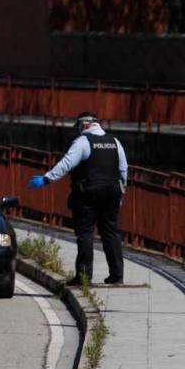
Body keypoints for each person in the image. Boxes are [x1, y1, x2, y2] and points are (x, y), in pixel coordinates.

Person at [28, 111, 128, 285]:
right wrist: (122, 191)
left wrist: (47, 178)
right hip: (112, 193)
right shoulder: (114, 141)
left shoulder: (83, 141)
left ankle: (84, 276)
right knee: (111, 233)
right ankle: (117, 275)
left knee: (85, 234)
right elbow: (123, 168)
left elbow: (67, 163)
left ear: (85, 124)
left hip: (88, 194)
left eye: (79, 127)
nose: (79, 130)